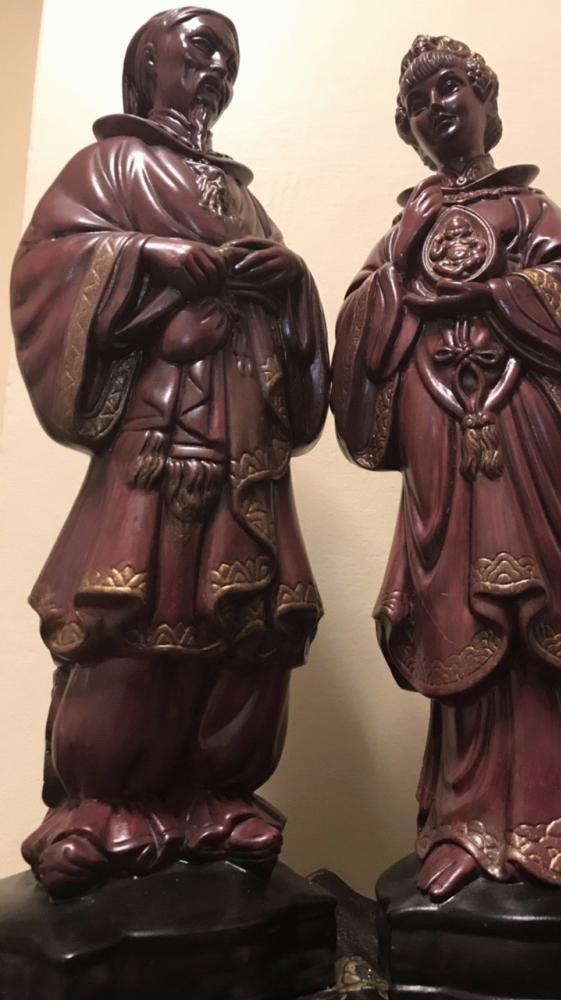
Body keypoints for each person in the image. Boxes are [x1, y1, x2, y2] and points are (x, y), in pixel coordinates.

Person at [332, 34, 561, 902]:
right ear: (407, 130)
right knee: (462, 614)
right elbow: (358, 350)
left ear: (489, 103)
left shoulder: (532, 215)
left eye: (451, 87)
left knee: (547, 612)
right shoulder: (402, 232)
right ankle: (467, 823)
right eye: (418, 102)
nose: (437, 107)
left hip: (525, 440)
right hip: (443, 454)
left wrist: (500, 293)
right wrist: (400, 268)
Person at [10, 7, 329, 898]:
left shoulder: (244, 199)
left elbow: (301, 368)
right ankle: (101, 801)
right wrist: (148, 256)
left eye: (229, 60)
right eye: (199, 52)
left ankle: (220, 795)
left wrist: (292, 283)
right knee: (133, 613)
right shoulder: (110, 165)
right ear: (146, 64)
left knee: (246, 624)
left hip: (244, 441)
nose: (216, 71)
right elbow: (46, 267)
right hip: (156, 431)